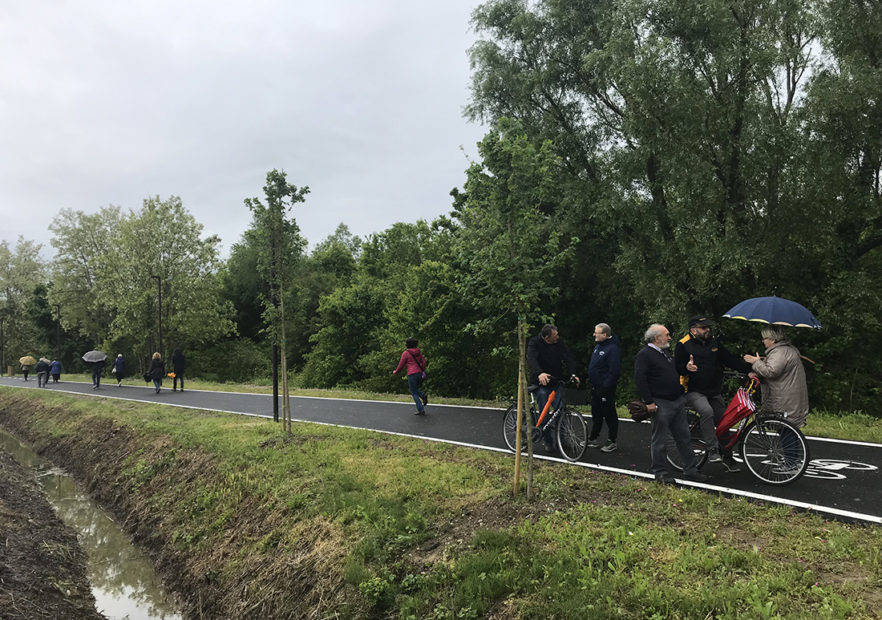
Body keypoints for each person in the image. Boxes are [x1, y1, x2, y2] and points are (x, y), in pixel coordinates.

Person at [674, 316, 754, 472]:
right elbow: (676, 367)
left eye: (708, 327)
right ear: (693, 330)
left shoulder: (714, 342)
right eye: (703, 328)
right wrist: (686, 368)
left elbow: (729, 359)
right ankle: (712, 450)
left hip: (713, 390)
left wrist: (748, 371)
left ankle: (727, 456)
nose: (707, 330)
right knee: (707, 411)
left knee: (725, 420)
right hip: (692, 390)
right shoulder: (683, 345)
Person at [634, 323, 710, 484]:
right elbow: (641, 379)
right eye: (666, 334)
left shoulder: (665, 353)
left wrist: (687, 368)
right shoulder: (645, 355)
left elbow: (677, 370)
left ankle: (691, 470)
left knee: (684, 437)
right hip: (660, 402)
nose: (669, 337)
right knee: (660, 440)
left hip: (676, 400)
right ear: (656, 338)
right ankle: (660, 473)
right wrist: (648, 402)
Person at [526, 324, 580, 451]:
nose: (558, 337)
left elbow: (568, 358)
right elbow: (531, 359)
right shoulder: (535, 343)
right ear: (546, 338)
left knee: (561, 411)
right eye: (555, 336)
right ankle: (548, 441)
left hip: (556, 381)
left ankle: (563, 441)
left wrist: (573, 374)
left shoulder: (559, 343)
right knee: (544, 411)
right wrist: (539, 373)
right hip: (541, 383)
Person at [743, 326, 810, 427]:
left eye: (765, 338)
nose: (762, 341)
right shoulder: (785, 350)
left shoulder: (779, 352)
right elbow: (777, 370)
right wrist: (757, 371)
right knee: (789, 432)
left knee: (786, 430)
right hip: (790, 399)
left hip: (785, 401)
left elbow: (771, 372)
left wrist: (756, 362)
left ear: (773, 340)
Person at [586, 323, 621, 453]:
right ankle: (593, 437)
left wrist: (606, 386)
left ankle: (612, 440)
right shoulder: (598, 346)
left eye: (597, 333)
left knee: (609, 413)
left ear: (605, 335)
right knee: (596, 413)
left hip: (606, 388)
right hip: (596, 387)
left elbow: (614, 371)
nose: (594, 334)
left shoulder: (613, 349)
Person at [392, 338, 428, 415]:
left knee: (413, 392)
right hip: (419, 374)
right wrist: (422, 370)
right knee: (415, 389)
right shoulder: (418, 352)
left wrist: (396, 372)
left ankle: (421, 409)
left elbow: (401, 365)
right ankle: (423, 396)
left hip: (412, 374)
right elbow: (424, 362)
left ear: (408, 345)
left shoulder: (406, 353)